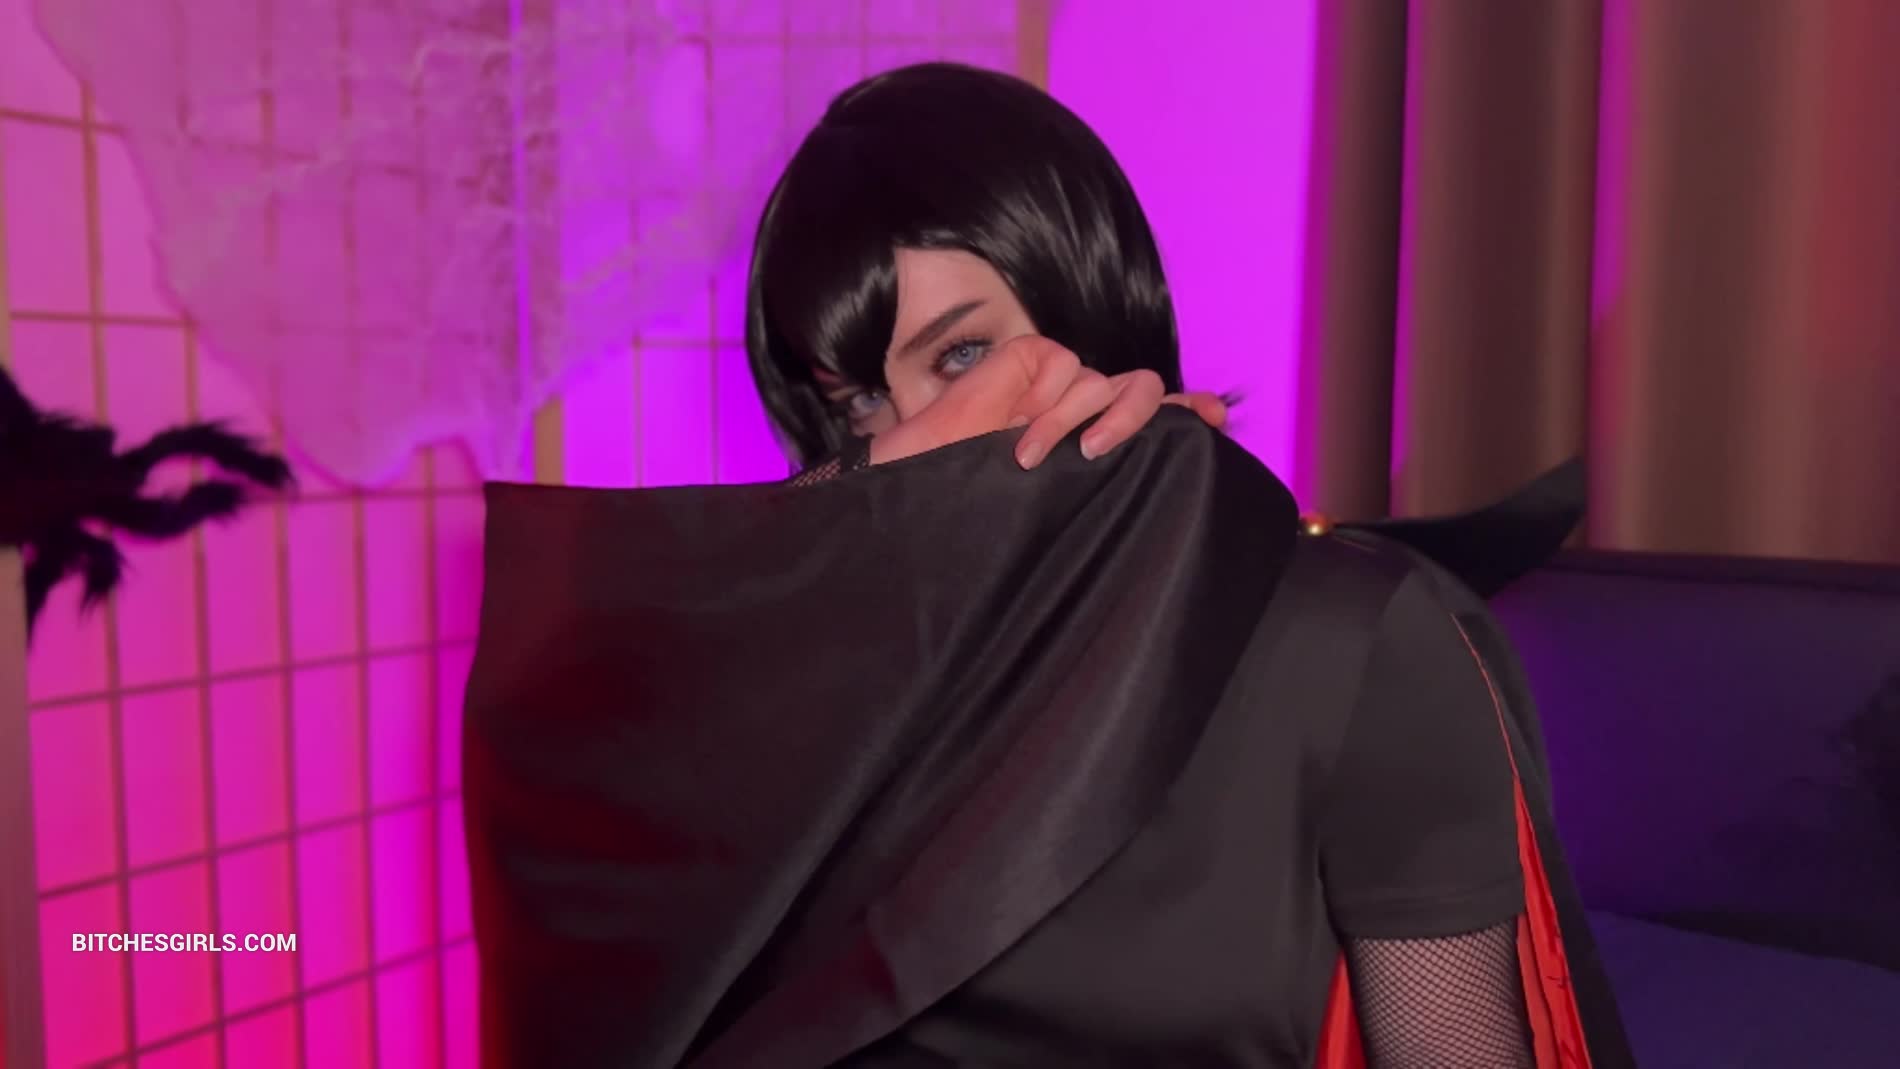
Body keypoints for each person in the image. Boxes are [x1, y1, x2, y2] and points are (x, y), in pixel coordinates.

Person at [463, 63, 1632, 1068]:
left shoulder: (1349, 641)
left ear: (1088, 310)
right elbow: (578, 705)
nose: (921, 434)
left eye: (961, 354)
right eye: (861, 404)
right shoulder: (814, 682)